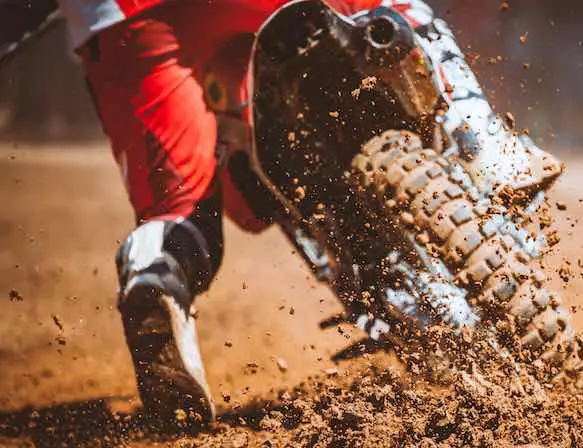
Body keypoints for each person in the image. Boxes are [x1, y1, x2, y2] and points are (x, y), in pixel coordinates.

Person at [0, 0, 501, 424]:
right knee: (389, 16)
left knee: (177, 206)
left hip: (131, 17)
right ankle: (485, 145)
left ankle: (157, 270)